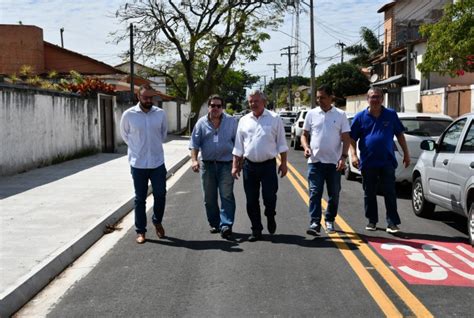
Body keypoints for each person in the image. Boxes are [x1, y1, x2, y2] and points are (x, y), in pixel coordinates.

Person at [349, 87, 410, 234]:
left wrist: (406, 154)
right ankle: (372, 221)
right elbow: (351, 138)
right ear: (367, 99)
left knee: (390, 192)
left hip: (387, 161)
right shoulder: (360, 117)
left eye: (377, 97)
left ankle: (392, 223)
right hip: (368, 162)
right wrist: (353, 155)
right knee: (369, 193)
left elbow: (400, 135)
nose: (375, 100)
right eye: (372, 97)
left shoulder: (390, 115)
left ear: (382, 99)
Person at [232, 90, 289, 242]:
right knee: (251, 200)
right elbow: (238, 146)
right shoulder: (244, 120)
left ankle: (270, 215)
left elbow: (282, 144)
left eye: (256, 101)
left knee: (269, 197)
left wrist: (284, 164)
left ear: (264, 101)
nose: (253, 104)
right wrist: (235, 166)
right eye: (250, 101)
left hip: (268, 166)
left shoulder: (274, 118)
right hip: (249, 166)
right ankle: (256, 229)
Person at [120, 84, 168, 244]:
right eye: (145, 97)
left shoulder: (160, 114)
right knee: (140, 199)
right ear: (138, 97)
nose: (148, 100)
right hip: (138, 163)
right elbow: (125, 135)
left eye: (151, 97)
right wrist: (137, 149)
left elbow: (162, 134)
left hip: (157, 163)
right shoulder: (129, 115)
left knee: (160, 195)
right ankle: (141, 231)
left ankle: (157, 221)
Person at [300, 85, 351, 236]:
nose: (319, 100)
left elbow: (346, 138)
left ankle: (329, 219)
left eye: (322, 97)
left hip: (334, 163)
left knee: (334, 193)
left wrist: (343, 157)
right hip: (315, 162)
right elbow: (304, 134)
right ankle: (315, 222)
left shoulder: (340, 115)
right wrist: (306, 147)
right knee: (315, 193)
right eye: (317, 97)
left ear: (330, 98)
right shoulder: (311, 114)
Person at [189, 95, 238, 239]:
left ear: (222, 107)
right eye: (212, 105)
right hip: (207, 165)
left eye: (218, 106)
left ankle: (226, 225)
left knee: (226, 195)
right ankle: (215, 223)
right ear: (208, 107)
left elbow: (237, 143)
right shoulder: (201, 123)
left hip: (226, 164)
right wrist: (194, 160)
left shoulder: (231, 122)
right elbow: (194, 144)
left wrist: (238, 163)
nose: (215, 108)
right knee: (209, 198)